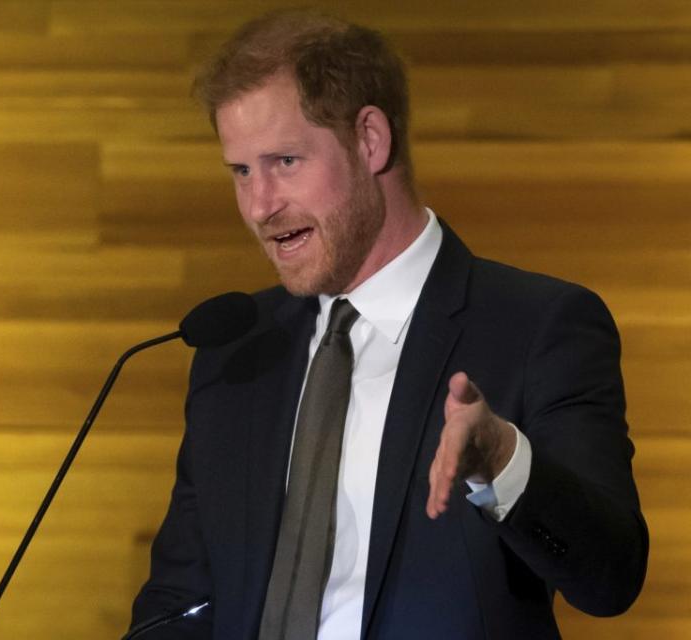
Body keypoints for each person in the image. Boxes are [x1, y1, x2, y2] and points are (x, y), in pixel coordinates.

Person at [129, 9, 648, 640]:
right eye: (241, 171)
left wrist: (505, 462)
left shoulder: (538, 326)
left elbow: (612, 577)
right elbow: (179, 600)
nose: (260, 205)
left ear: (370, 140)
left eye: (285, 161)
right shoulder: (237, 348)